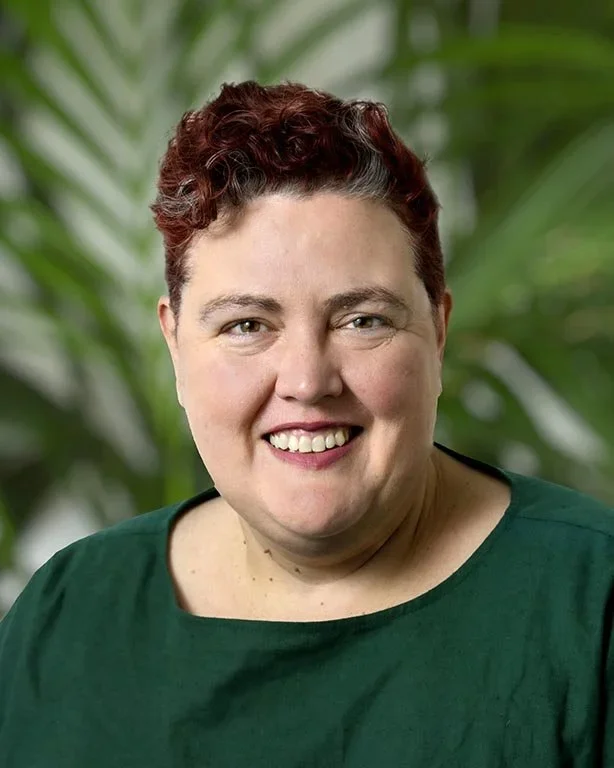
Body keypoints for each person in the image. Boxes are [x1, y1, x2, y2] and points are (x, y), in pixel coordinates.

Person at [0, 80, 613, 767]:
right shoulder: (70, 613)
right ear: (175, 346)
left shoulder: (592, 602)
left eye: (362, 320)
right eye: (247, 325)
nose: (307, 381)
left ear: (438, 334)